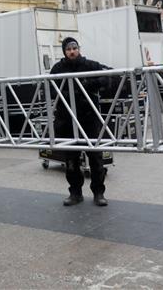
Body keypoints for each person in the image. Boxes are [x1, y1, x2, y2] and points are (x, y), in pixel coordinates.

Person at [50, 37, 113, 207]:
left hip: (89, 118)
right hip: (67, 120)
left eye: (74, 48)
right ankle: (75, 193)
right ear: (64, 51)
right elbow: (49, 89)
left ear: (79, 49)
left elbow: (107, 79)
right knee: (71, 160)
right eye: (68, 49)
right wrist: (68, 92)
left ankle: (98, 193)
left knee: (95, 157)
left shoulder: (90, 65)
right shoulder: (57, 68)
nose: (72, 51)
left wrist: (86, 84)